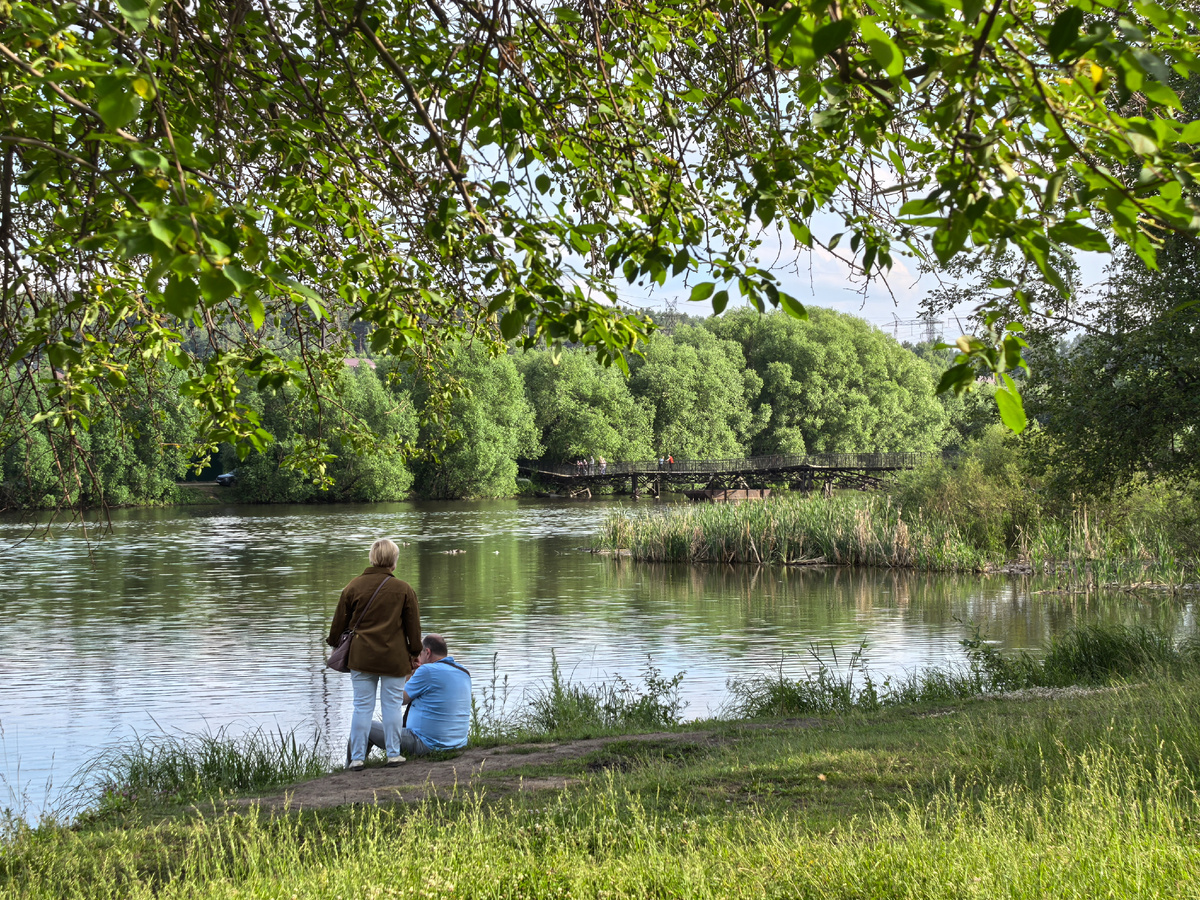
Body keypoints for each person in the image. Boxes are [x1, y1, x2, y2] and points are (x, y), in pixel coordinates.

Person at [328, 538, 422, 771]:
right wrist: (415, 653)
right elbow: (413, 628)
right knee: (391, 706)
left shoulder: (352, 587)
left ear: (372, 558)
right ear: (394, 562)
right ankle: (393, 755)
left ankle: (358, 758)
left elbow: (337, 626)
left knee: (362, 706)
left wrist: (334, 645)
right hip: (394, 658)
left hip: (361, 657)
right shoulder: (404, 589)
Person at [360, 633, 472, 759]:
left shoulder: (427, 671)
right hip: (458, 744)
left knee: (363, 725)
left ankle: (350, 768)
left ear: (428, 652)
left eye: (419, 654)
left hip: (426, 743)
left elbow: (400, 699)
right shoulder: (464, 672)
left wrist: (407, 672)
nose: (418, 658)